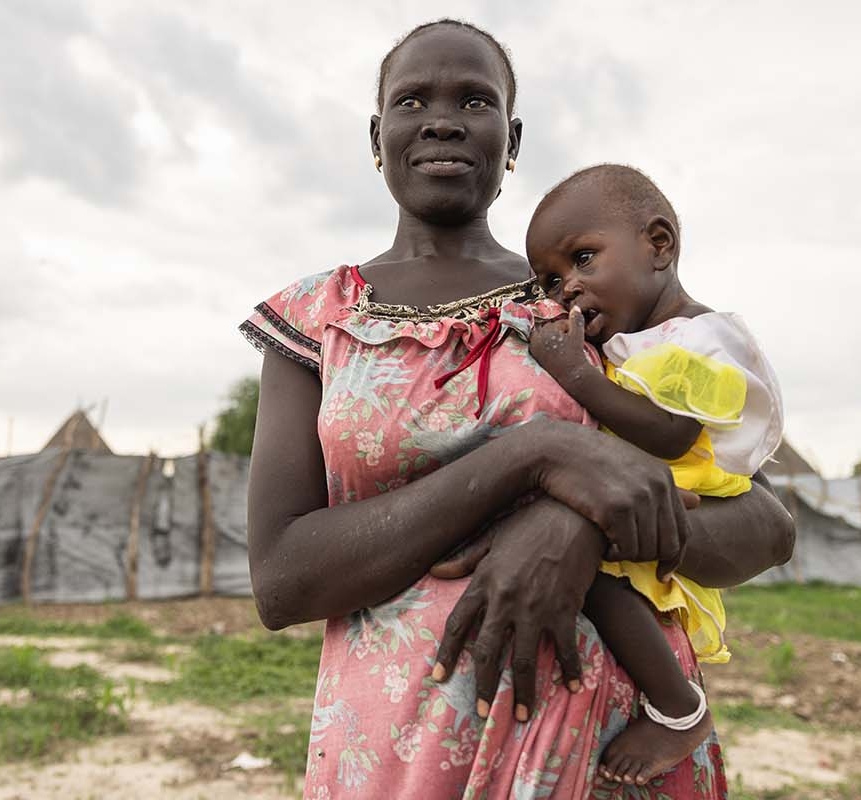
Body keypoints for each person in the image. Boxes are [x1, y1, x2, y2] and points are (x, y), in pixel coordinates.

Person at [240, 19, 794, 798]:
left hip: (601, 744)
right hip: (400, 748)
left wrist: (577, 526)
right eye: (411, 102)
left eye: (475, 99)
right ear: (377, 136)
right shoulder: (315, 320)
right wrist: (534, 459)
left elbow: (764, 524)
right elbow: (283, 580)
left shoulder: (580, 307)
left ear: (513, 136)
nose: (442, 119)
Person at [525, 164, 784, 786]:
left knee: (597, 578)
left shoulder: (696, 340)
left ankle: (679, 710)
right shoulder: (642, 338)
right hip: (661, 481)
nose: (568, 289)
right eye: (553, 280)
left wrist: (576, 376)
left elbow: (672, 433)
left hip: (694, 483)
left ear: (659, 245)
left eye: (584, 259)